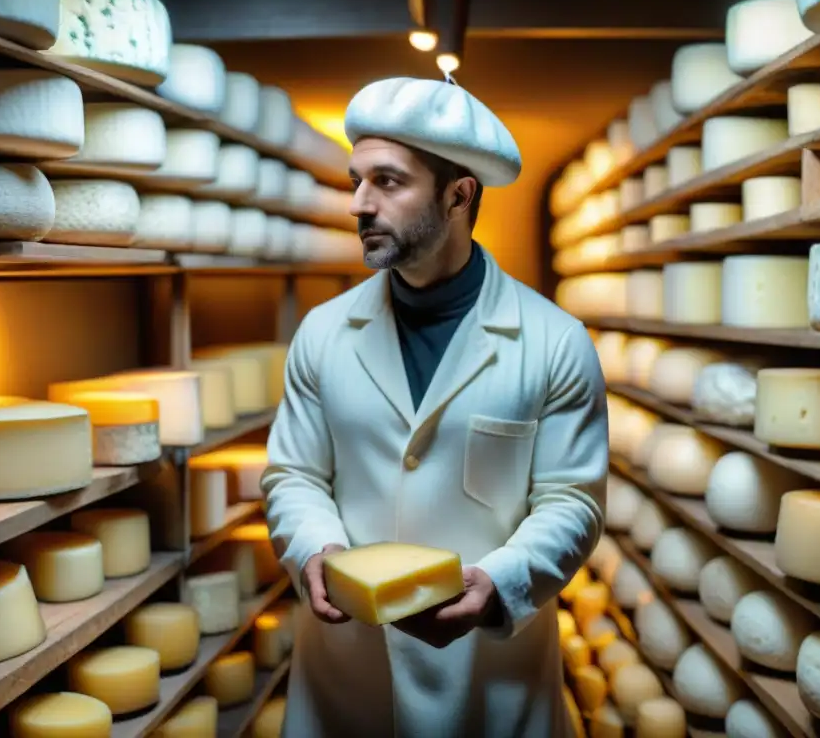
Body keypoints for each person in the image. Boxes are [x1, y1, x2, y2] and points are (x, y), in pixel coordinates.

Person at [260, 74, 609, 737]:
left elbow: (572, 501)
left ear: (458, 194)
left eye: (387, 182)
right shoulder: (323, 334)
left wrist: (500, 582)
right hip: (347, 678)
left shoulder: (555, 342)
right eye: (356, 179)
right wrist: (314, 548)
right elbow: (294, 475)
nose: (360, 203)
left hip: (490, 682)